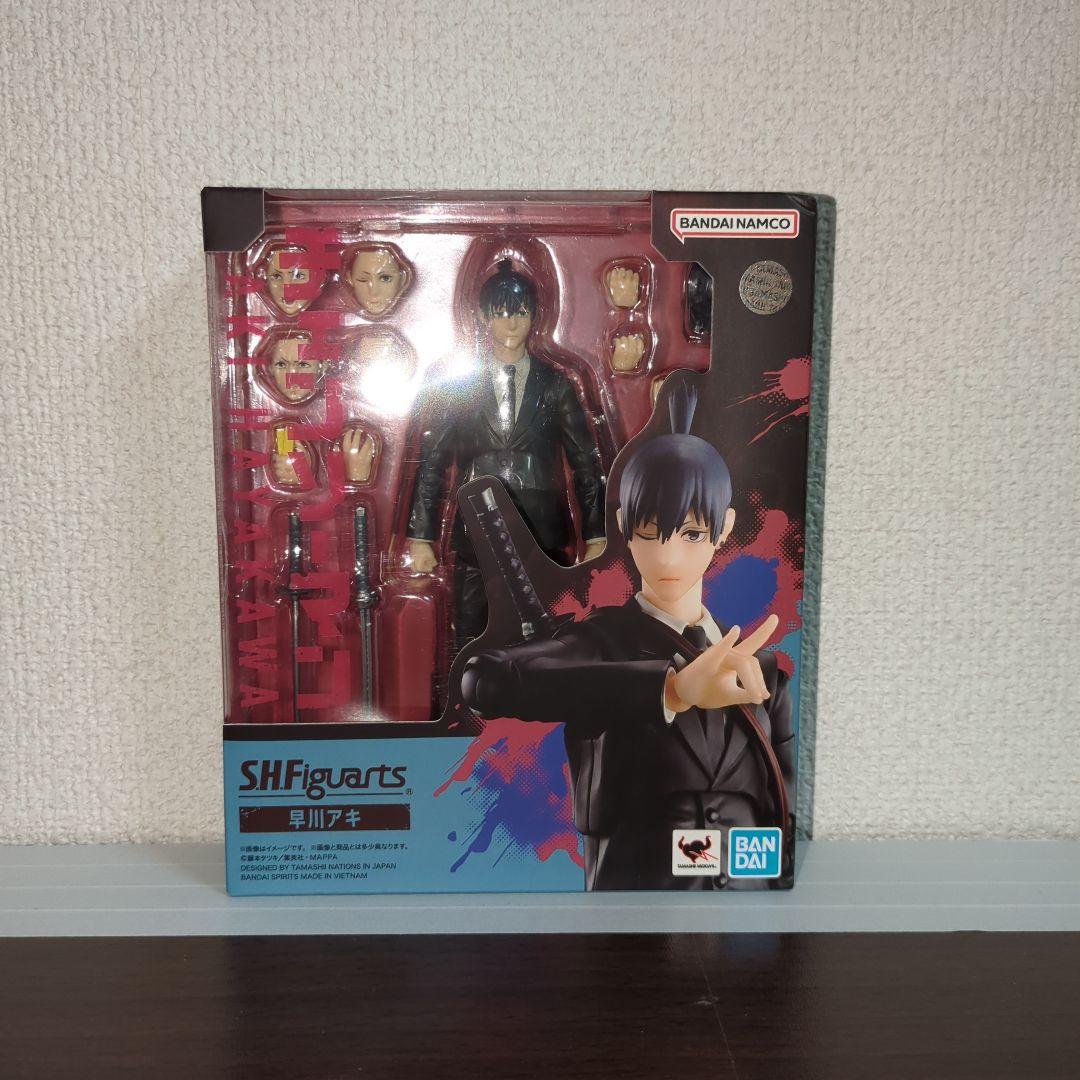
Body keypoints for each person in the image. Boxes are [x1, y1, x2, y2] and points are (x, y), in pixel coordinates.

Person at [460, 384, 795, 890]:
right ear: (623, 525)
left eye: (692, 534)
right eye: (650, 532)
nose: (668, 557)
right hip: (631, 917)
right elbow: (485, 680)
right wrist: (671, 690)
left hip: (745, 911)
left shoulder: (762, 674)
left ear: (724, 528)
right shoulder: (599, 646)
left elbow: (783, 816)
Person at [406, 259, 607, 656]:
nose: (512, 324)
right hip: (476, 527)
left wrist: (596, 534)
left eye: (521, 313)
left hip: (542, 530)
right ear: (484, 317)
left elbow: (585, 461)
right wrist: (421, 535)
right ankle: (465, 689)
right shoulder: (460, 385)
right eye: (500, 314)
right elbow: (433, 459)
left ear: (535, 317)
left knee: (544, 634)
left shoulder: (555, 384)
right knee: (470, 631)